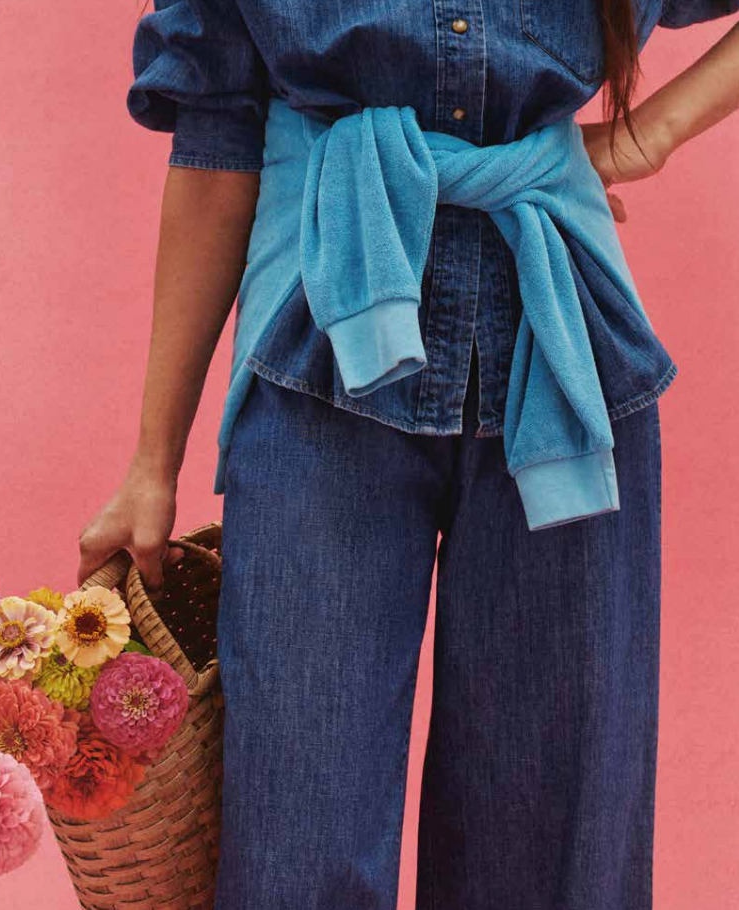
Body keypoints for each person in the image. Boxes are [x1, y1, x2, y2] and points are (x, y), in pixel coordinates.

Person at [77, 2, 739, 908]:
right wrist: (152, 465)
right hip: (316, 365)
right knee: (297, 838)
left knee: (551, 833)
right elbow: (216, 146)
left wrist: (647, 136)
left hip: (559, 363)